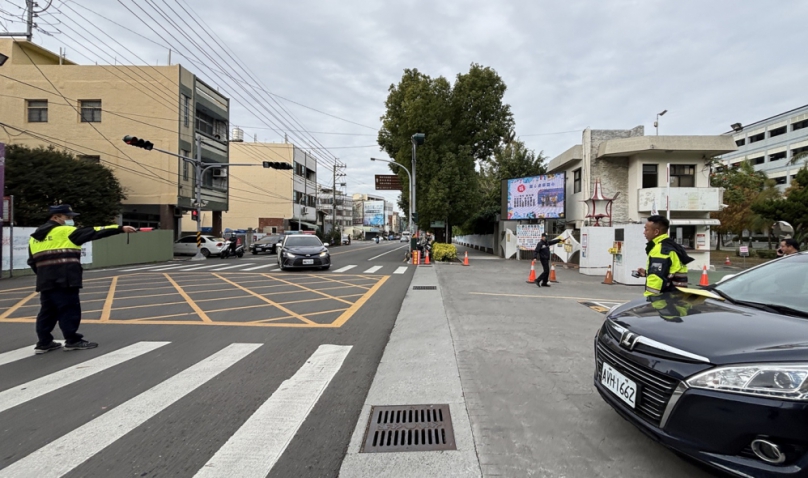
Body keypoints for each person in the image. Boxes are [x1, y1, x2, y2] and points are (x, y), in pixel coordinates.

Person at [28, 205, 137, 354]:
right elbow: (95, 232)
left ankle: (44, 342)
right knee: (69, 309)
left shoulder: (35, 237)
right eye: (68, 217)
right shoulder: (66, 231)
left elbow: (32, 262)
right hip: (66, 278)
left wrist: (43, 275)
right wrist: (119, 228)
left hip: (45, 280)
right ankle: (72, 340)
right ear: (56, 217)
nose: (71, 220)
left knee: (47, 311)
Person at [636, 215, 694, 297]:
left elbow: (656, 279)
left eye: (646, 229)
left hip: (666, 302)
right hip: (678, 298)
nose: (644, 232)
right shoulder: (672, 245)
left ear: (656, 232)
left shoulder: (660, 250)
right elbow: (666, 272)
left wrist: (649, 300)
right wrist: (647, 273)